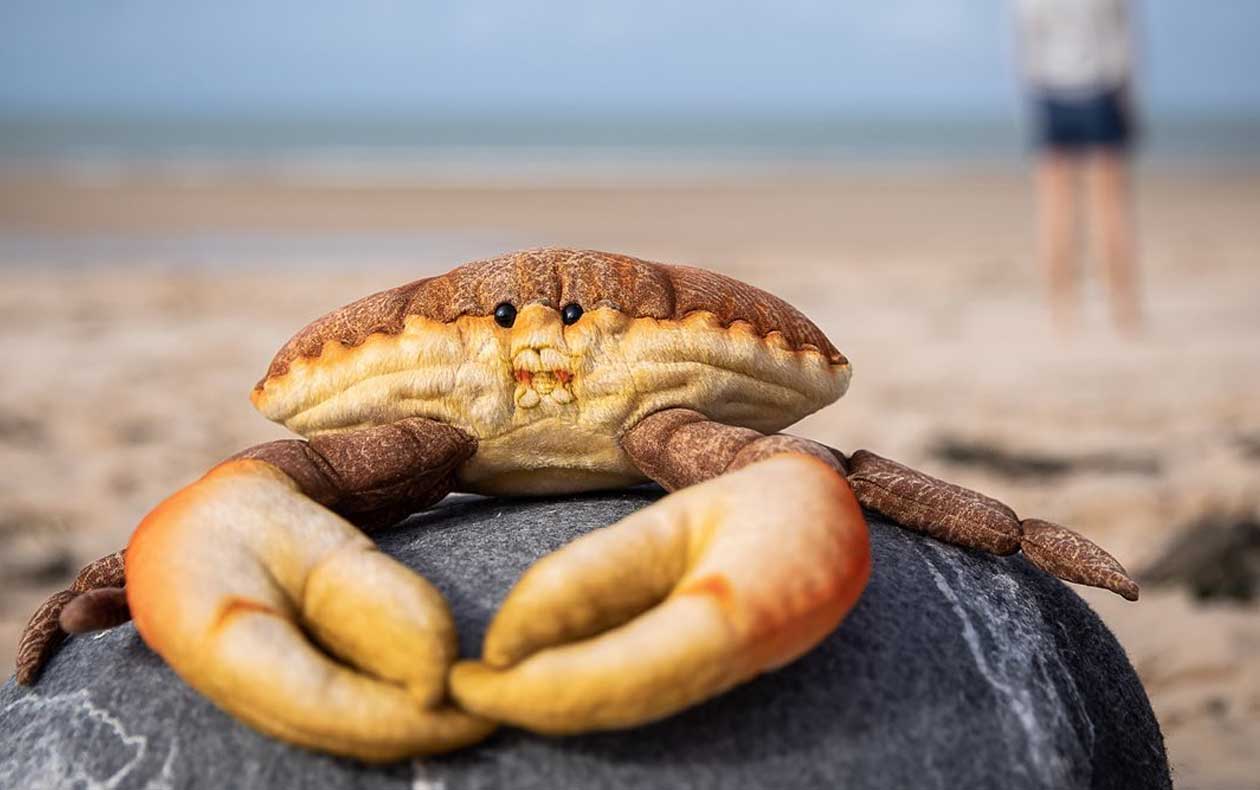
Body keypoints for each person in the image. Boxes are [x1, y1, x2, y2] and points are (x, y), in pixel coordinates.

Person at [1015, 0, 1142, 335]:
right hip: (1101, 89)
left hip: (1050, 92)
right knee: (1111, 208)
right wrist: (1128, 103)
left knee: (1055, 210)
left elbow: (1025, 43)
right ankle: (1123, 308)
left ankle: (1061, 310)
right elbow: (1123, 41)